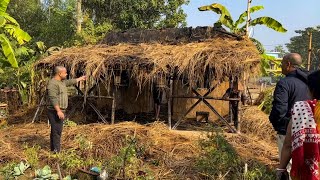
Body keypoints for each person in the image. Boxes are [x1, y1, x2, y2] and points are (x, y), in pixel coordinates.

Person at [269, 53, 311, 174]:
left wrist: (280, 126)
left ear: (288, 64)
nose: (281, 66)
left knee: (288, 167)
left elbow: (279, 109)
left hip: (288, 129)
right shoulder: (309, 81)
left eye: (282, 63)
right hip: (309, 130)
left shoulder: (285, 83)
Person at [277, 70, 320, 180]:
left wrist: (281, 169)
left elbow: (288, 145)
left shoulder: (302, 111)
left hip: (307, 173)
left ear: (312, 90)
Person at [47, 66, 86, 153]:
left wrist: (80, 79)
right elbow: (53, 98)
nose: (66, 74)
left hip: (59, 110)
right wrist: (58, 111)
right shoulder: (53, 84)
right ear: (59, 73)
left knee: (55, 130)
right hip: (54, 111)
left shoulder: (61, 82)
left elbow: (69, 82)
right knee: (57, 131)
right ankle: (57, 151)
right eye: (65, 73)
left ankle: (54, 149)